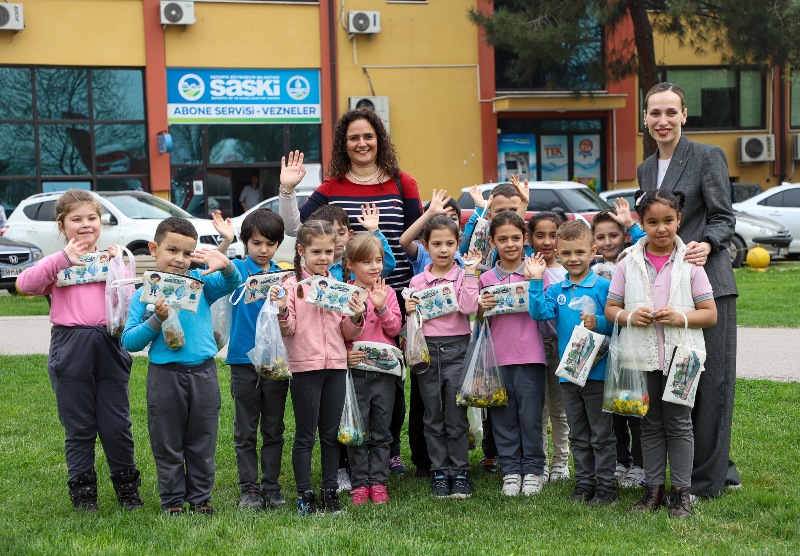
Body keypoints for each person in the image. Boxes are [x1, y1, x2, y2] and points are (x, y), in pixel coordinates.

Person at [277, 108, 424, 476]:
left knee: (390, 382)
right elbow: (296, 229)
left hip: (393, 294)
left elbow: (412, 240)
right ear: (344, 144)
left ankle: (386, 451)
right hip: (342, 298)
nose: (362, 143)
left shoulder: (402, 183)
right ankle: (347, 459)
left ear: (380, 139)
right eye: (354, 137)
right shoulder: (331, 187)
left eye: (368, 136)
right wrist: (288, 190)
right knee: (350, 381)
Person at [638, 81, 740, 499]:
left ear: (684, 116)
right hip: (665, 289)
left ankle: (706, 481)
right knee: (679, 383)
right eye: (654, 113)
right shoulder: (647, 168)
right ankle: (722, 467)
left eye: (670, 112)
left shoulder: (707, 156)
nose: (662, 121)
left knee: (711, 383)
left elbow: (723, 216)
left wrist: (709, 243)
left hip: (707, 282)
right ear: (645, 119)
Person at [16, 189, 144, 512]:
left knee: (117, 423)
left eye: (92, 217)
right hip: (70, 347)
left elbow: (126, 304)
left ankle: (127, 490)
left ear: (100, 221)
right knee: (79, 425)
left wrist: (119, 265)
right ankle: (84, 495)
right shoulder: (56, 263)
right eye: (76, 219)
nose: (86, 224)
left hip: (109, 345)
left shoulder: (113, 258)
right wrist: (62, 260)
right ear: (62, 225)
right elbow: (24, 285)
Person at [605, 189, 718, 518]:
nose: (661, 229)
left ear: (679, 220)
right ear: (640, 222)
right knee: (651, 425)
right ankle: (653, 491)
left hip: (683, 357)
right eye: (652, 222)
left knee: (680, 424)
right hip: (641, 356)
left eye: (668, 221)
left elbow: (710, 313)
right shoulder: (627, 262)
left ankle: (680, 494)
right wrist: (629, 316)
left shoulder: (691, 263)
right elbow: (612, 308)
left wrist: (680, 317)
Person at [122, 216, 242, 515]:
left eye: (187, 253)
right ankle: (173, 501)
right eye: (172, 250)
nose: (179, 259)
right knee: (167, 443)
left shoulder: (199, 285)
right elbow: (129, 341)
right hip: (165, 377)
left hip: (203, 374)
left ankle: (201, 500)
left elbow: (233, 281)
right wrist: (156, 320)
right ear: (154, 248)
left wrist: (223, 261)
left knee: (202, 441)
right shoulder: (143, 294)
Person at [271, 220, 366, 516]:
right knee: (305, 435)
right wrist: (283, 309)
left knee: (329, 435)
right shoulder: (292, 286)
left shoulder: (336, 286)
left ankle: (329, 491)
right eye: (316, 251)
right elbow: (287, 330)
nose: (323, 257)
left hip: (336, 367)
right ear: (301, 251)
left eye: (329, 251)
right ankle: (305, 494)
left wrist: (356, 316)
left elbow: (347, 333)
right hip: (305, 369)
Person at [526, 220, 617, 506]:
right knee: (578, 433)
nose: (573, 259)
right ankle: (583, 484)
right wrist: (535, 280)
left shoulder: (604, 287)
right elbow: (540, 313)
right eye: (566, 254)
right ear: (558, 253)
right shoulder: (556, 289)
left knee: (601, 433)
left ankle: (606, 488)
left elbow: (618, 323)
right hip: (569, 376)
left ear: (593, 250)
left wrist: (599, 322)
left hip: (599, 373)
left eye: (579, 252)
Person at [214, 208, 291, 511]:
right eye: (257, 243)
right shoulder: (237, 271)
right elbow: (215, 266)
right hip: (242, 361)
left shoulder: (282, 275)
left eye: (270, 244)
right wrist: (224, 241)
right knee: (245, 428)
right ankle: (249, 488)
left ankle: (271, 485)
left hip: (274, 361)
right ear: (246, 242)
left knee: (274, 427)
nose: (263, 250)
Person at [406, 216, 482, 499]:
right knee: (432, 415)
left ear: (457, 244)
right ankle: (440, 471)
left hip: (457, 350)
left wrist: (472, 274)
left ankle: (460, 472)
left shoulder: (463, 275)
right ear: (425, 245)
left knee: (455, 414)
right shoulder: (417, 280)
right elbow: (413, 318)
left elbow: (468, 306)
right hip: (427, 352)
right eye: (436, 244)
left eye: (449, 243)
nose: (443, 249)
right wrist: (410, 307)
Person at [477, 212, 547, 496]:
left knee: (530, 417)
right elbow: (480, 318)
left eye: (515, 238)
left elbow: (545, 312)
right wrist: (481, 306)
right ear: (492, 242)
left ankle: (532, 469)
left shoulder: (535, 270)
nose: (510, 244)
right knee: (503, 418)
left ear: (525, 239)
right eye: (502, 239)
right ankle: (510, 470)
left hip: (531, 356)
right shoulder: (486, 278)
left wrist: (536, 281)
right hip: (497, 358)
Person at [590, 202, 647, 488]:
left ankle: (640, 465)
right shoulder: (589, 271)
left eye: (614, 234)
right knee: (611, 411)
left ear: (623, 236)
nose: (607, 242)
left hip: (633, 348)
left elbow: (646, 243)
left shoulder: (634, 259)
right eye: (600, 237)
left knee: (634, 407)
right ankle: (619, 461)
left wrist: (631, 225)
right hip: (601, 353)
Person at [343, 234, 402, 505]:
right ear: (351, 264)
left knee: (381, 430)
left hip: (384, 374)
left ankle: (378, 482)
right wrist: (346, 353)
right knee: (358, 429)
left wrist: (380, 308)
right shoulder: (344, 292)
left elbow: (395, 329)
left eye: (378, 260)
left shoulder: (387, 293)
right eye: (367, 262)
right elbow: (338, 332)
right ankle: (359, 483)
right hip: (356, 373)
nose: (374, 266)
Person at [525, 211, 570, 483]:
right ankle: (539, 463)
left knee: (560, 409)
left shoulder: (567, 270)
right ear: (530, 238)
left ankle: (561, 463)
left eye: (553, 235)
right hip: (532, 346)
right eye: (540, 235)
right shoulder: (525, 267)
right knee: (537, 409)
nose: (547, 241)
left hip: (561, 346)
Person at [399, 188, 465, 275]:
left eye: (453, 218)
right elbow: (404, 242)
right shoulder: (423, 252)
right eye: (441, 217)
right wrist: (430, 213)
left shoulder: (460, 260)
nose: (448, 221)